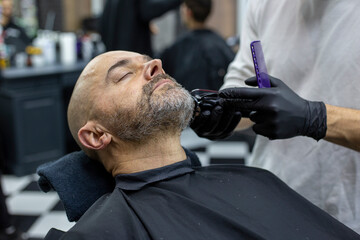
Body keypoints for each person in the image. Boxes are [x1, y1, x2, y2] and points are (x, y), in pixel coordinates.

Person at [41, 50, 360, 239]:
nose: (156, 64)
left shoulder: (255, 179)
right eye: (124, 75)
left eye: (149, 62)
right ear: (96, 136)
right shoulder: (104, 231)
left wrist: (313, 117)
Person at [190, 0, 360, 233]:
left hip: (348, 213)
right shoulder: (265, 4)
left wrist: (316, 118)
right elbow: (244, 77)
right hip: (270, 198)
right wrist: (228, 112)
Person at [219, 75, 360, 152]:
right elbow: (241, 77)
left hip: (346, 195)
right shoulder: (263, 19)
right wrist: (223, 113)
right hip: (272, 182)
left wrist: (315, 117)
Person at [157, 0, 235, 91]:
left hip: (187, 102)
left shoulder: (178, 48)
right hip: (217, 102)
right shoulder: (222, 45)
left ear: (188, 12)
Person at [99, 0, 182, 57]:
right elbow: (150, 9)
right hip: (134, 55)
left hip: (115, 56)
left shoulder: (109, 3)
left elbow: (102, 27)